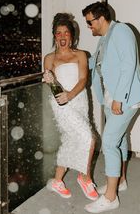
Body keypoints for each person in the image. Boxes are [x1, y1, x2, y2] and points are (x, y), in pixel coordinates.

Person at [82, 2, 140, 213]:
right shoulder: (104, 38)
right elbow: (95, 63)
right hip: (111, 98)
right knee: (118, 139)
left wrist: (119, 98)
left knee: (109, 141)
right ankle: (120, 182)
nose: (89, 26)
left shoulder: (121, 31)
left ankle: (111, 198)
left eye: (90, 22)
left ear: (101, 18)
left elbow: (129, 63)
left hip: (124, 98)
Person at [43, 12, 98, 201]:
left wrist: (71, 95)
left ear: (71, 35)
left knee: (71, 140)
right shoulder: (49, 58)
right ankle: (85, 176)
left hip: (80, 100)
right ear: (54, 36)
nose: (63, 36)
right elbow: (51, 83)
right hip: (61, 105)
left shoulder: (81, 55)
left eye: (66, 32)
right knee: (89, 138)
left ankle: (58, 181)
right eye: (58, 33)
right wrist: (51, 82)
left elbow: (83, 79)